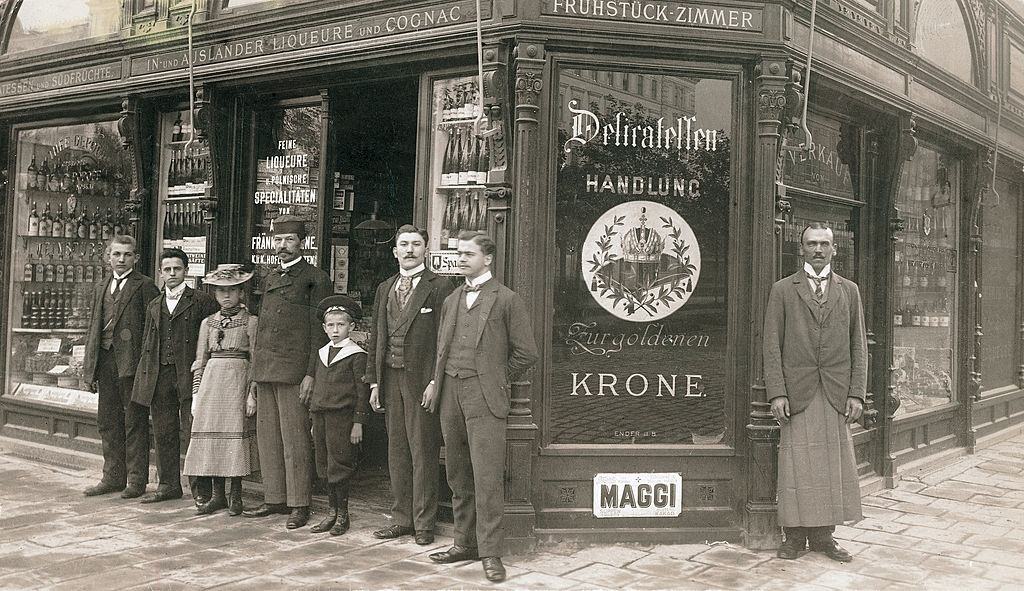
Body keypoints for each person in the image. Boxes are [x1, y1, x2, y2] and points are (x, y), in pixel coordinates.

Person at [424, 231, 538, 583]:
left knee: (487, 477)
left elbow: (527, 353)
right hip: (450, 395)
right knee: (457, 473)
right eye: (460, 254)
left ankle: (490, 553)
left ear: (487, 259)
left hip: (484, 396)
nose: (461, 259)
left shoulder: (506, 300)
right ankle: (463, 543)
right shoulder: (452, 297)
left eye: (469, 254)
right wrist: (434, 382)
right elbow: (442, 348)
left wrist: (496, 376)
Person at [763, 222, 866, 562]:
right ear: (801, 249)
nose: (818, 249)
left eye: (824, 244)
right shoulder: (783, 290)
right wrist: (777, 393)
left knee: (829, 466)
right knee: (796, 464)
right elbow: (771, 346)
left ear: (834, 249)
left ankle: (824, 537)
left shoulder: (849, 291)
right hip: (798, 393)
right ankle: (793, 538)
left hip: (835, 392)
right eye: (811, 244)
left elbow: (859, 346)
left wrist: (857, 393)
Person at [366, 225, 453, 546]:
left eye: (417, 244)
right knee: (397, 451)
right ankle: (402, 519)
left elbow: (445, 341)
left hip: (421, 383)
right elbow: (377, 336)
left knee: (423, 451)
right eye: (404, 245)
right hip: (390, 378)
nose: (410, 250)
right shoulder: (385, 288)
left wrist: (434, 381)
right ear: (395, 251)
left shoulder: (440, 286)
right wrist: (373, 381)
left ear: (426, 250)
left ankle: (424, 523)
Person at [244, 215, 332, 529]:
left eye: (289, 240)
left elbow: (319, 333)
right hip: (266, 369)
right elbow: (262, 330)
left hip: (294, 371)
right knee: (268, 439)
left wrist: (311, 373)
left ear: (302, 243)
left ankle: (299, 503)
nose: (282, 246)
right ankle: (275, 499)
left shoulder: (315, 278)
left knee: (295, 440)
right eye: (278, 240)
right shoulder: (268, 277)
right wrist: (254, 376)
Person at [131, 248, 219, 504]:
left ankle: (200, 487)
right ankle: (168, 484)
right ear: (160, 272)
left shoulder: (201, 301)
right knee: (164, 431)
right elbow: (148, 342)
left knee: (193, 431)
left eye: (177, 269)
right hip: (160, 374)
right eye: (167, 269)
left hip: (189, 374)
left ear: (186, 271)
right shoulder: (154, 304)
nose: (172, 273)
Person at [81, 235, 160, 498]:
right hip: (105, 360)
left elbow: (153, 330)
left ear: (135, 258)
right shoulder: (101, 286)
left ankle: (136, 481)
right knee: (108, 421)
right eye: (116, 254)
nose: (121, 259)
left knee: (134, 421)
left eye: (127, 254)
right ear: (108, 257)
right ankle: (112, 477)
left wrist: (146, 367)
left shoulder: (146, 286)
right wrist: (89, 368)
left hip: (132, 364)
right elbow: (94, 329)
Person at [182, 264, 259, 516]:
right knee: (212, 436)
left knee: (234, 436)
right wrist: (196, 392)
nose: (226, 296)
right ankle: (217, 495)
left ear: (241, 293)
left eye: (232, 290)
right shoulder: (208, 322)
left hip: (238, 380)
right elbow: (200, 358)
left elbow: (256, 360)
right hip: (212, 383)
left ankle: (235, 494)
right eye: (220, 291)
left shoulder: (251, 322)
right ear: (214, 294)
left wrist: (251, 393)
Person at [307, 295, 370, 536]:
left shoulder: (356, 355)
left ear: (351, 327)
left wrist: (358, 422)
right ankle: (330, 512)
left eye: (340, 325)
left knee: (340, 463)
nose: (335, 330)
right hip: (321, 416)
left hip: (342, 419)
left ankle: (343, 514)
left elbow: (361, 393)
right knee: (323, 464)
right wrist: (314, 420)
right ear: (324, 327)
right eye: (330, 325)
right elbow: (319, 389)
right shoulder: (322, 353)